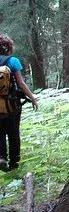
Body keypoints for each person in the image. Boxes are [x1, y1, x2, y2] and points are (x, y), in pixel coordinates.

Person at [0, 34, 39, 171]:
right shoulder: (13, 61)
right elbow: (21, 84)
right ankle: (14, 163)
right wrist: (33, 98)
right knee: (13, 132)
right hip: (12, 104)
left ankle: (2, 158)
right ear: (9, 47)